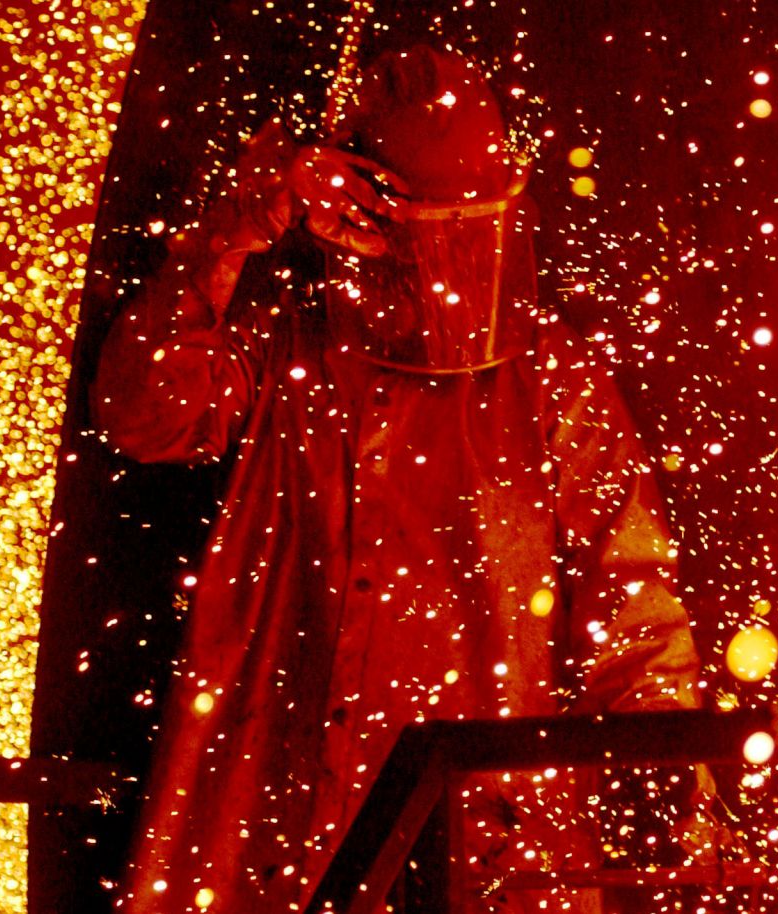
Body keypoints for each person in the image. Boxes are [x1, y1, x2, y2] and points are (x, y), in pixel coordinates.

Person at [91, 46, 702, 914]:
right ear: (359, 210)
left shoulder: (550, 380)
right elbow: (144, 412)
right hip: (280, 821)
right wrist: (234, 231)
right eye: (433, 228)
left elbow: (633, 606)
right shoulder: (295, 346)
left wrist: (671, 783)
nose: (452, 265)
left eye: (471, 226)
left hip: (487, 838)